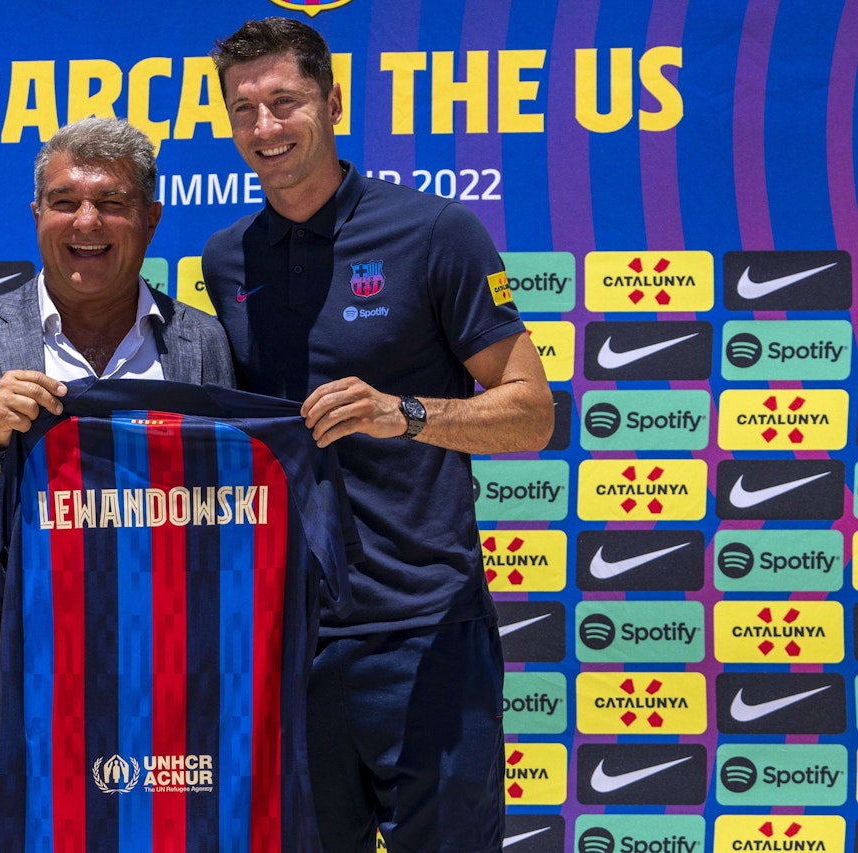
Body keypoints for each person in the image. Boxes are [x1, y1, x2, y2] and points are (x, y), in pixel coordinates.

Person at [203, 18, 554, 853]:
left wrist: (407, 413)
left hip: (424, 627)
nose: (264, 126)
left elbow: (532, 411)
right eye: (244, 109)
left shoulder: (435, 232)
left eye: (284, 101)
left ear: (333, 103)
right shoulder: (226, 260)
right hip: (287, 638)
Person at [0, 116, 235, 853]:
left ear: (151, 218)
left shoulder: (202, 343)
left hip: (158, 732)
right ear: (37, 214)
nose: (86, 222)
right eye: (65, 201)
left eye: (112, 203)